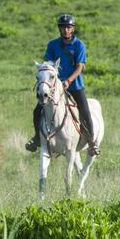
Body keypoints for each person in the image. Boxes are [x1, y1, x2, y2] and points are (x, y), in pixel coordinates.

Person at [25, 13, 100, 156]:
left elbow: (79, 67)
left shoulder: (79, 45)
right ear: (59, 29)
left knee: (85, 112)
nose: (66, 30)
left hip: (75, 86)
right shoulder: (52, 45)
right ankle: (37, 139)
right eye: (63, 27)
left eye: (69, 27)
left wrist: (68, 80)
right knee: (37, 111)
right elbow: (48, 64)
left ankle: (92, 143)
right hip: (55, 87)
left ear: (73, 29)